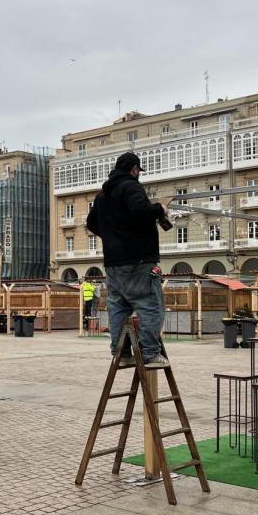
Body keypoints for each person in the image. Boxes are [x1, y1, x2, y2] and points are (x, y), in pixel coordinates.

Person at [86, 152, 171, 368]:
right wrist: (159, 209)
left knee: (118, 306)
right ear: (134, 169)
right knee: (150, 305)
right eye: (138, 172)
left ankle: (121, 353)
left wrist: (113, 235)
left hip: (113, 263)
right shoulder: (131, 186)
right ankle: (150, 354)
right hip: (139, 259)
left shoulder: (102, 196)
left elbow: (91, 223)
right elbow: (141, 211)